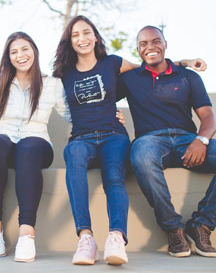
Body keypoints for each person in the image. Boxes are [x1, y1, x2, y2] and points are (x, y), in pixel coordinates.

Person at [52, 15, 205, 266]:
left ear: (96, 37)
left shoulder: (112, 63)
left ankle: (116, 238)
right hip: (82, 138)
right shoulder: (63, 74)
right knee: (74, 156)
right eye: (76, 35)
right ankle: (86, 238)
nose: (82, 39)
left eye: (87, 32)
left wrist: (184, 62)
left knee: (114, 175)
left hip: (114, 135)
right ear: (69, 41)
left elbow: (150, 66)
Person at [0, 31, 73, 263]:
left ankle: (27, 233)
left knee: (28, 147)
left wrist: (106, 118)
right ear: (8, 57)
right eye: (14, 52)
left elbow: (71, 115)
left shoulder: (52, 85)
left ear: (34, 50)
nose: (20, 55)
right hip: (3, 143)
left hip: (37, 144)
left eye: (25, 49)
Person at [119, 25, 216, 258]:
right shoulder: (129, 79)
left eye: (155, 41)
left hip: (188, 140)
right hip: (150, 141)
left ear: (165, 44)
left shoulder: (188, 76)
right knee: (141, 157)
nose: (150, 47)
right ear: (138, 50)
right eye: (143, 44)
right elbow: (103, 74)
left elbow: (208, 116)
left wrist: (201, 140)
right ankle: (173, 229)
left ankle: (201, 225)